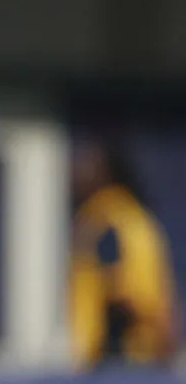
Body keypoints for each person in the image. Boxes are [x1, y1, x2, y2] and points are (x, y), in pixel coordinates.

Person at [68, 134, 181, 371]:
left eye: (86, 166)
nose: (76, 174)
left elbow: (123, 293)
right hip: (146, 353)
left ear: (105, 172)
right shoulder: (135, 216)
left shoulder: (104, 220)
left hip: (121, 357)